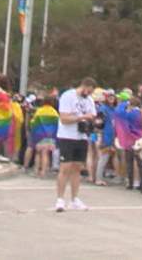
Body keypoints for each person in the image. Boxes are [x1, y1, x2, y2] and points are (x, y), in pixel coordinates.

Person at [54, 77, 97, 213]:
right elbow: (64, 118)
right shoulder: (68, 96)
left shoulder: (89, 100)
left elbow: (93, 115)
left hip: (82, 136)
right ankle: (60, 199)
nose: (88, 94)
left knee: (77, 167)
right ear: (84, 86)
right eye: (88, 91)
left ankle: (75, 199)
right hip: (67, 136)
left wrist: (92, 120)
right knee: (65, 167)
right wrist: (81, 117)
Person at [29, 96, 59, 178]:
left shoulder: (39, 111)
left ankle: (36, 170)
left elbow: (34, 123)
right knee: (46, 153)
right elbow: (57, 125)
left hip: (39, 135)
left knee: (38, 153)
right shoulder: (55, 112)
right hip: (50, 136)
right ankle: (43, 172)